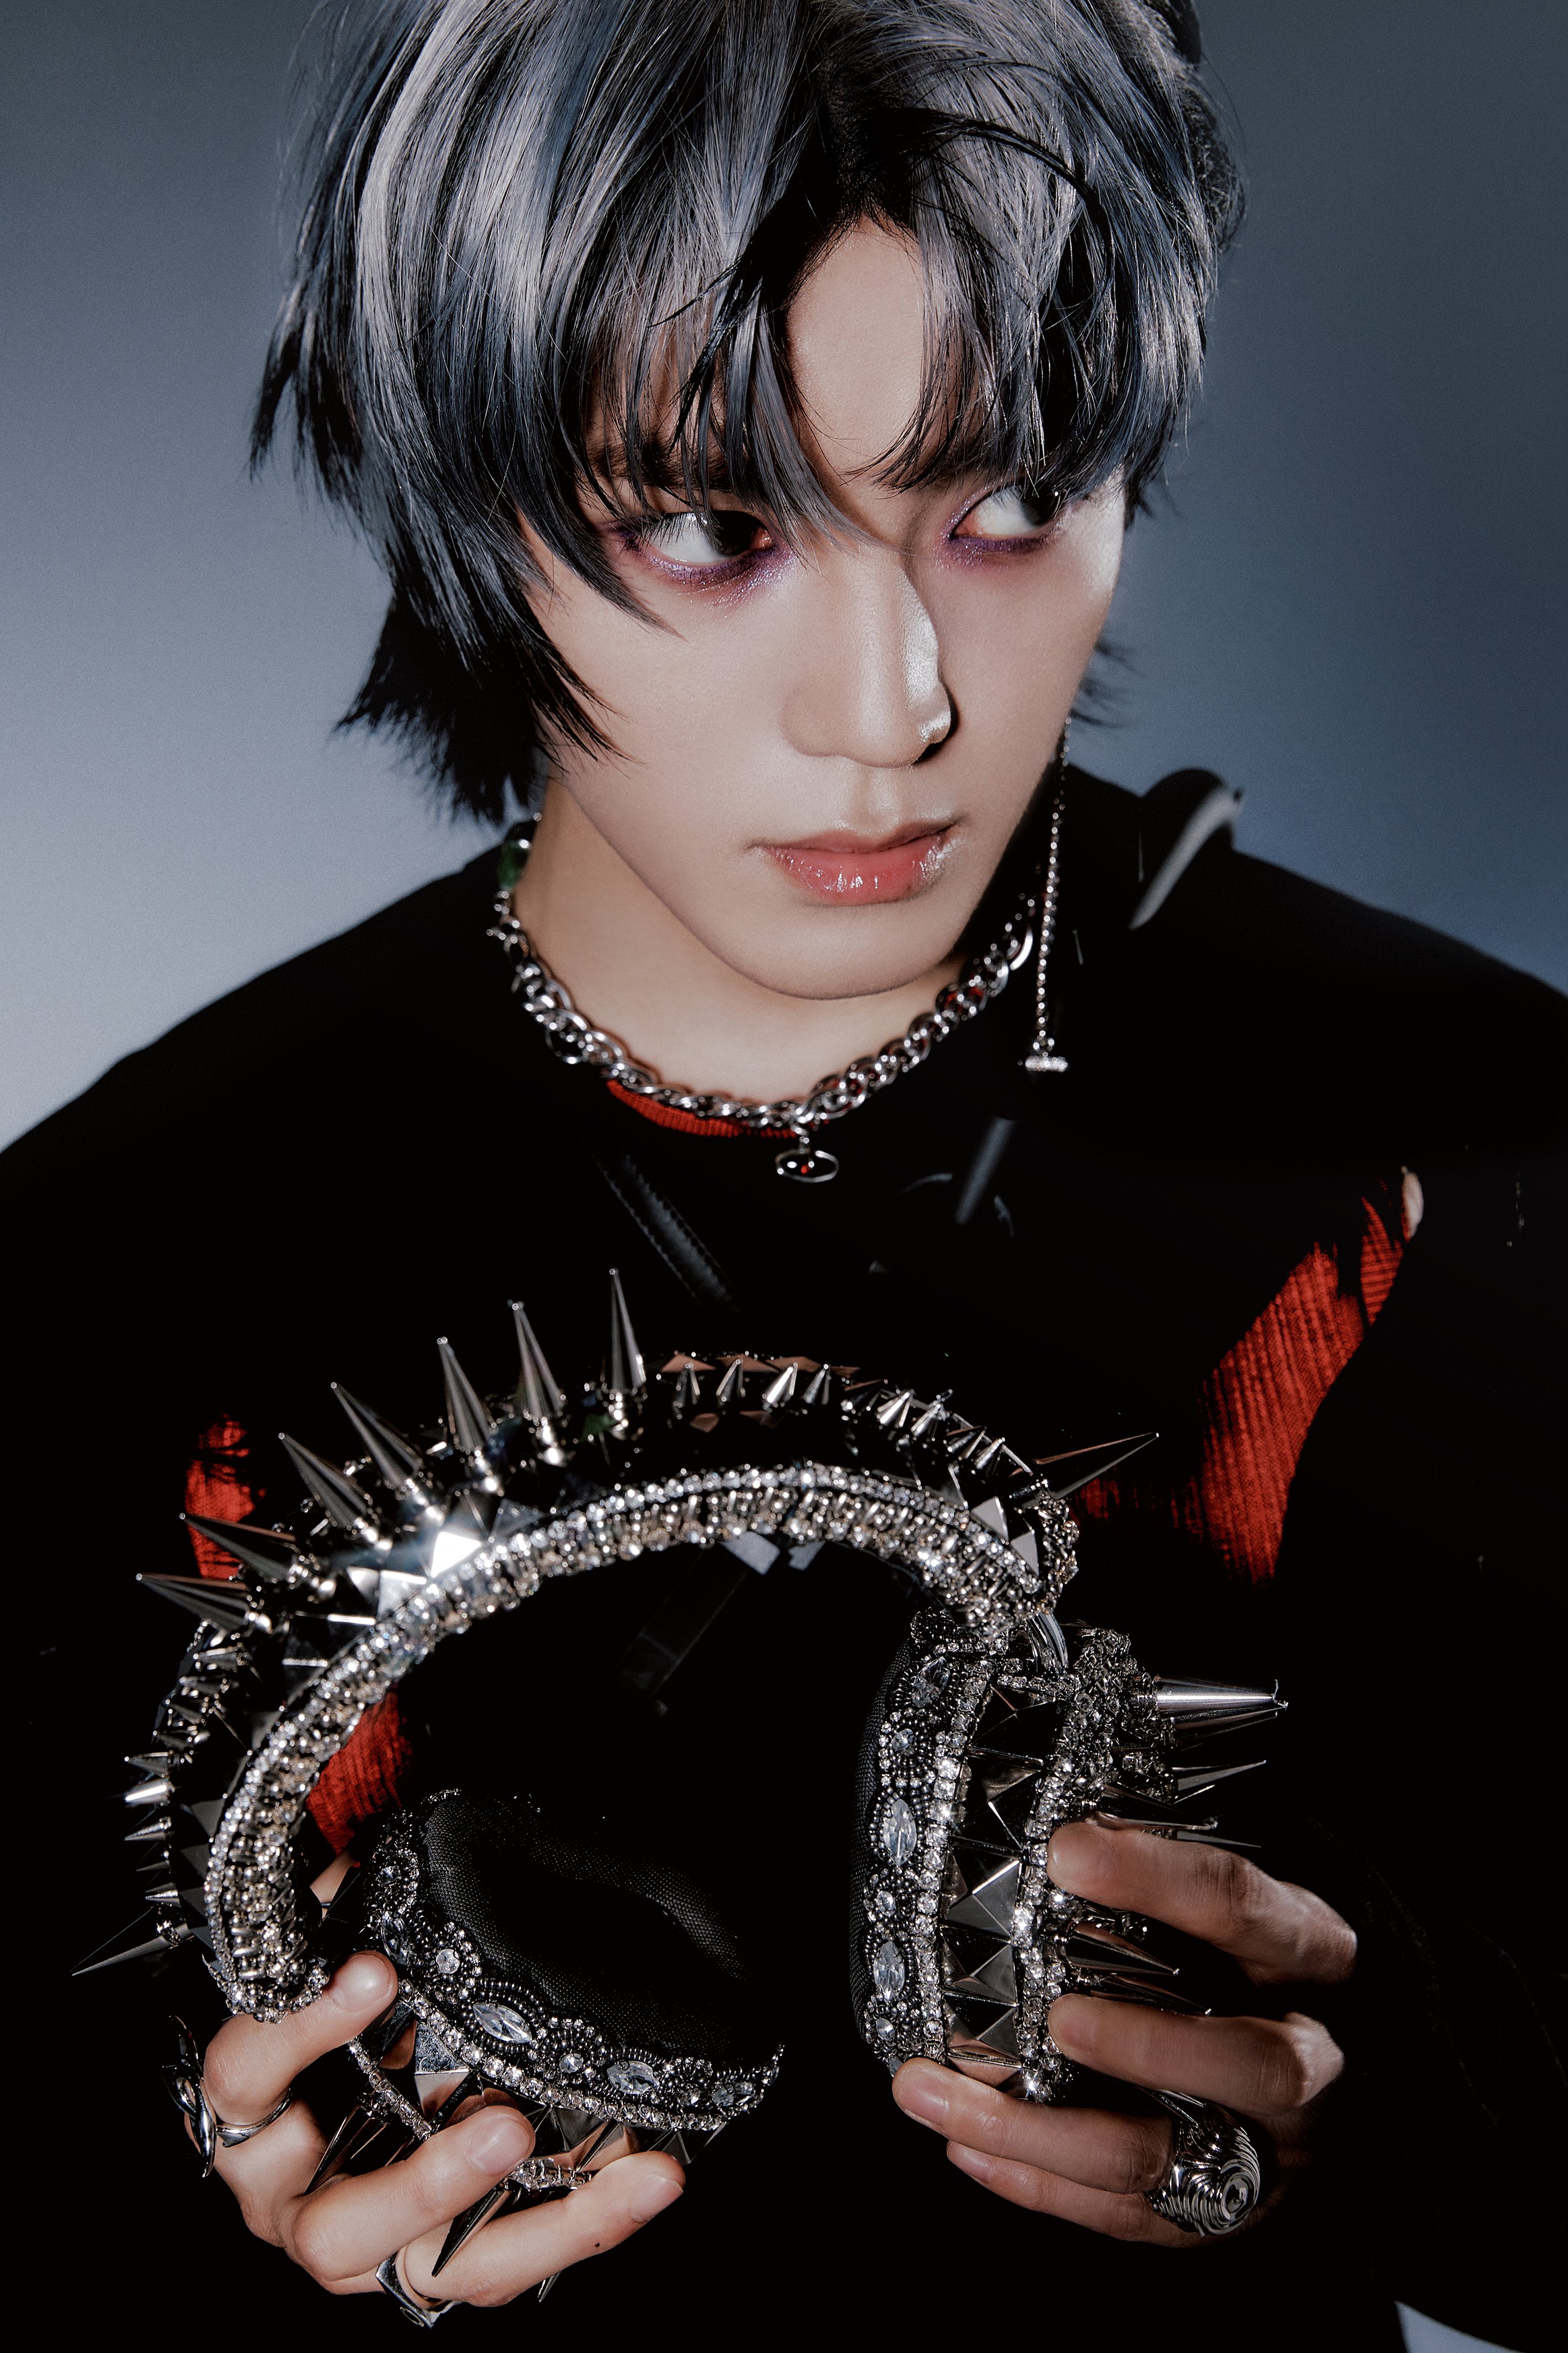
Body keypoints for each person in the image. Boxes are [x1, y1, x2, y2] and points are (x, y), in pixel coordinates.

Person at [5, 2, 1562, 2344]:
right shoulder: (105, 1251)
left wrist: (1393, 2103)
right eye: (711, 527)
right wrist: (227, 2237)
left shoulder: (1463, 1136)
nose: (893, 703)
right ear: (469, 503)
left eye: (1005, 504)